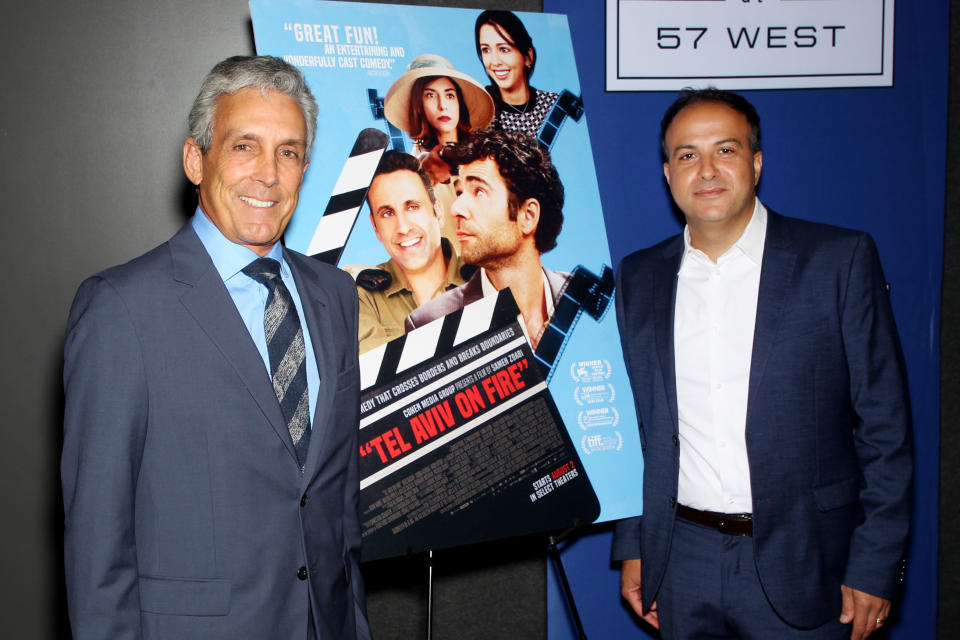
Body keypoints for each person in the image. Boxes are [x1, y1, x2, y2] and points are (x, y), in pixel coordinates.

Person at [61, 56, 370, 640]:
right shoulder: (120, 308)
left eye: (288, 152)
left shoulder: (336, 296)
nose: (268, 176)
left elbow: (337, 507)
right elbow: (97, 547)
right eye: (244, 147)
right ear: (195, 160)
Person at [612, 88, 912, 640]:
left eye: (725, 150)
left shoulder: (838, 260)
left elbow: (886, 426)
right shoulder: (638, 277)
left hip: (806, 558)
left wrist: (875, 563)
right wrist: (636, 544)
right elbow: (640, 428)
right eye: (686, 155)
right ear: (667, 173)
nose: (705, 169)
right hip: (681, 560)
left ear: (755, 162)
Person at [405, 128, 566, 350]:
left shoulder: (592, 298)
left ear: (528, 215)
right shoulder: (429, 326)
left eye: (479, 191)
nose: (456, 208)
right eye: (460, 193)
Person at [349, 150, 469, 353]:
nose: (403, 227)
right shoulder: (361, 298)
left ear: (438, 212)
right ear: (375, 228)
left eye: (413, 207)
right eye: (387, 213)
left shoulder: (485, 276)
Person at [384, 54, 494, 241]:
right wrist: (425, 175)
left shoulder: (487, 155)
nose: (443, 105)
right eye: (430, 95)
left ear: (459, 102)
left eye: (449, 95)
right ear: (418, 106)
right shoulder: (413, 165)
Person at [474, 10, 559, 140]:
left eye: (504, 49)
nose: (494, 61)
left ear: (527, 56)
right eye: (486, 50)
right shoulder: (480, 117)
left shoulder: (554, 106)